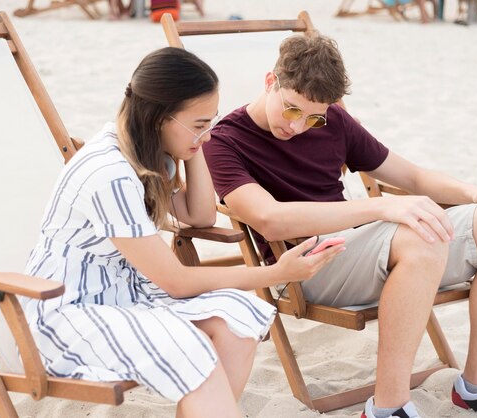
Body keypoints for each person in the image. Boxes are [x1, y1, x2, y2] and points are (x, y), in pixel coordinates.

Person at [202, 33, 477, 418]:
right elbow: (271, 220)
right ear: (271, 82)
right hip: (304, 265)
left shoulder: (333, 121)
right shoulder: (225, 140)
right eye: (290, 109)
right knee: (420, 237)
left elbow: (412, 176)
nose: (299, 125)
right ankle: (388, 409)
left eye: (312, 116)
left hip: (362, 249)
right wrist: (379, 209)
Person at [20, 47, 343, 418]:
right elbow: (177, 282)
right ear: (158, 117)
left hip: (123, 293)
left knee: (237, 320)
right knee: (192, 348)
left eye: (211, 121)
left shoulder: (150, 154)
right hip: (68, 310)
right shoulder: (109, 173)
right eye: (200, 123)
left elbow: (200, 214)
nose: (209, 134)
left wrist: (194, 144)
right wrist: (277, 273)